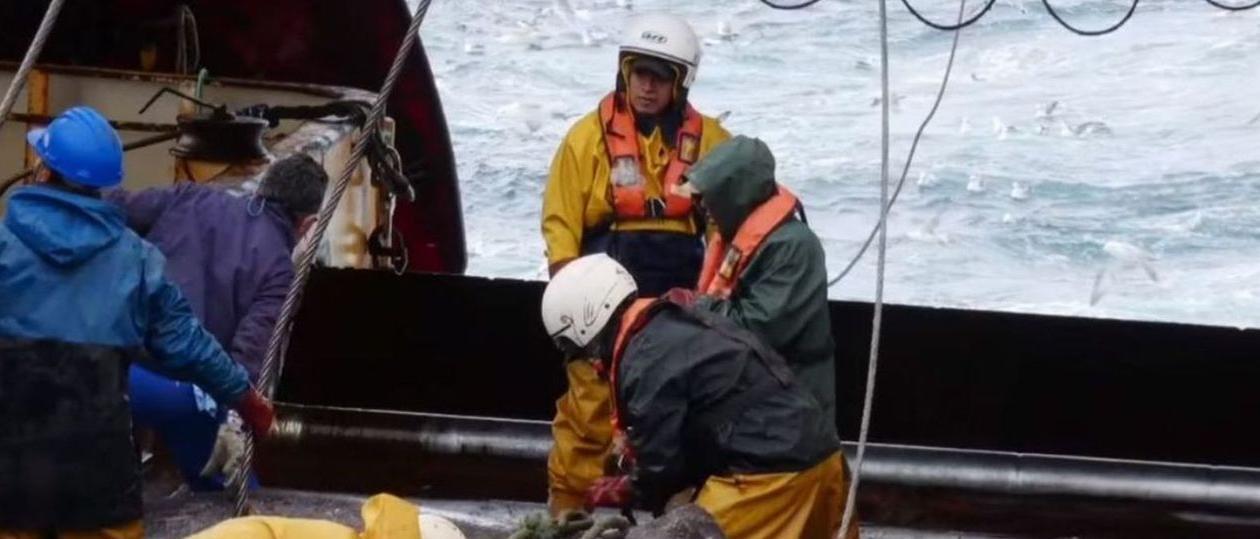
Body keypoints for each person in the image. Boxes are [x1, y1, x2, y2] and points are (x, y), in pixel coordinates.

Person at [0, 106, 275, 538]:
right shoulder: (135, 260)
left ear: (43, 169)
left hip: (10, 475)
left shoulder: (3, 245)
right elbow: (189, 345)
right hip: (98, 478)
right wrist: (246, 398)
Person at [540, 13, 731, 515]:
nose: (646, 87)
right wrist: (568, 289)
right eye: (639, 73)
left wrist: (714, 296)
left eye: (659, 77)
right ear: (624, 72)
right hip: (602, 299)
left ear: (681, 82)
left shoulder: (711, 142)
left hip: (679, 301)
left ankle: (679, 515)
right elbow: (560, 221)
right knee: (589, 409)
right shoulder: (586, 139)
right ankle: (567, 512)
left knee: (683, 405)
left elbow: (726, 226)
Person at [540, 255, 857, 539]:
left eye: (582, 351)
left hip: (773, 478)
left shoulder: (645, 358)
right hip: (824, 460)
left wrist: (628, 488)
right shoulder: (677, 324)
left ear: (589, 323)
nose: (593, 364)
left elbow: (662, 465)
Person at [103, 154, 326, 489]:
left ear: (261, 189)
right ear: (307, 225)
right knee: (230, 492)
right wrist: (235, 423)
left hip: (110, 368)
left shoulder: (191, 196)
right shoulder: (279, 268)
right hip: (178, 393)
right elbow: (249, 357)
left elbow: (115, 208)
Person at [686, 135, 838, 425]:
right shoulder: (737, 237)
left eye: (711, 194)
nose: (702, 204)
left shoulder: (794, 248)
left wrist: (695, 308)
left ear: (736, 193)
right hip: (753, 398)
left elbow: (760, 327)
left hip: (791, 407)